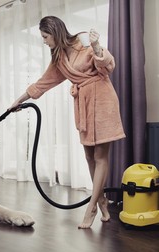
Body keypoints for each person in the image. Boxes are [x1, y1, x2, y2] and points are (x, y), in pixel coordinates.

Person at [9, 16, 125, 229]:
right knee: (89, 155)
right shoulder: (59, 59)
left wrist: (98, 46)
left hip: (103, 100)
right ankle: (101, 201)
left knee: (100, 156)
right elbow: (42, 83)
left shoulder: (85, 44)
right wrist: (18, 101)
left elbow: (108, 67)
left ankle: (91, 208)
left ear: (54, 32)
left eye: (45, 36)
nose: (44, 41)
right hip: (84, 104)